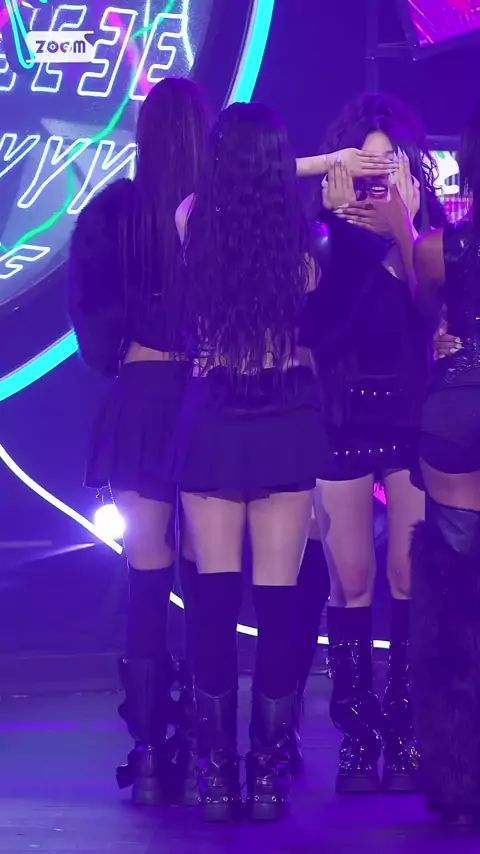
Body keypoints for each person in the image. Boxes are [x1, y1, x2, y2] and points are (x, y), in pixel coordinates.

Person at [173, 101, 333, 822]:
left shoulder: (195, 222)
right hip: (282, 415)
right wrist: (316, 164)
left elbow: (206, 194)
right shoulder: (301, 248)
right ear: (277, 167)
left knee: (214, 599)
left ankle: (217, 774)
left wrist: (259, 164)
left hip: (215, 416)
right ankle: (266, 775)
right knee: (276, 601)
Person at [298, 93, 447, 794]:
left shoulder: (428, 230)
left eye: (392, 163)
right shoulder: (326, 235)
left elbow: (431, 314)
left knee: (409, 575)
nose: (379, 174)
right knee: (350, 577)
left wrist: (404, 230)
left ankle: (408, 727)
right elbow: (320, 330)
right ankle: (357, 734)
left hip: (414, 416)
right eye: (367, 162)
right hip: (343, 416)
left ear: (410, 166)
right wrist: (348, 234)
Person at [68, 77, 209, 806]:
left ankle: (150, 753)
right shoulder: (218, 214)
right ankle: (214, 748)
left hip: (142, 395)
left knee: (147, 571)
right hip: (209, 397)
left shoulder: (111, 215)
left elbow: (93, 333)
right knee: (208, 571)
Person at [411, 101, 480, 825]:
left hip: (458, 409)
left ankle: (459, 779)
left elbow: (426, 312)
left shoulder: (437, 249)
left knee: (456, 601)